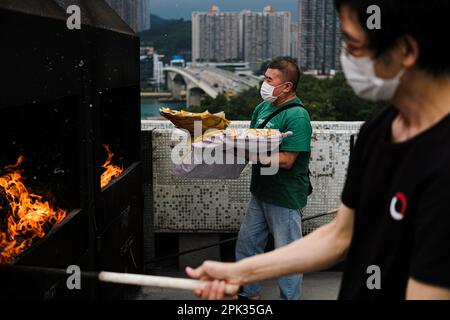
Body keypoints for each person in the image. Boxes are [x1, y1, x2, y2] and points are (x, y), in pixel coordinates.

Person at [186, 0, 450, 300]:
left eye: (352, 44)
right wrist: (240, 272)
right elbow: (340, 236)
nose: (345, 57)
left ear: (405, 51)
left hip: (285, 194)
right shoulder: (378, 130)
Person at [234, 57, 312, 300]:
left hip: (285, 196)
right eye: (264, 78)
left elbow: (288, 160)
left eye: (270, 80)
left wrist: (259, 157)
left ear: (287, 86)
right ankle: (249, 294)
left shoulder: (297, 116)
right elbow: (251, 139)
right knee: (247, 245)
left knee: (287, 255)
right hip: (261, 191)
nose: (264, 83)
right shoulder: (263, 107)